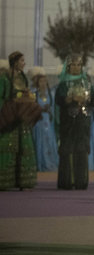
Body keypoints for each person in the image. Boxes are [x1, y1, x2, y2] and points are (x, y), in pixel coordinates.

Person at [55, 54, 94, 190]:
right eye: (73, 65)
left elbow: (92, 100)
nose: (76, 67)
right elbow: (59, 100)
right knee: (67, 149)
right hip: (68, 121)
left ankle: (81, 181)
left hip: (82, 121)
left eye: (79, 65)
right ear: (68, 67)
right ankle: (66, 181)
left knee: (82, 149)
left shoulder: (87, 83)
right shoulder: (63, 84)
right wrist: (70, 99)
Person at [0, 52, 40, 190]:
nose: (24, 63)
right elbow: (2, 98)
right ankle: (5, 182)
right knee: (9, 147)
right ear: (15, 62)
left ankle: (23, 181)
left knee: (24, 147)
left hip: (22, 118)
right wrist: (14, 101)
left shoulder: (23, 78)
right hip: (10, 119)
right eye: (22, 61)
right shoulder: (5, 79)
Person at [30, 67, 59, 172]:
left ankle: (51, 163)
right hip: (39, 121)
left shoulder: (50, 94)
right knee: (40, 142)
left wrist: (49, 111)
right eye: (41, 81)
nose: (43, 83)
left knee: (49, 141)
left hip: (48, 121)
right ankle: (41, 164)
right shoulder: (33, 93)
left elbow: (53, 108)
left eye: (45, 81)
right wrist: (40, 109)